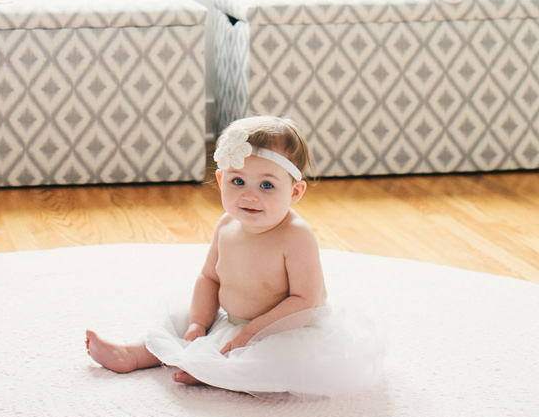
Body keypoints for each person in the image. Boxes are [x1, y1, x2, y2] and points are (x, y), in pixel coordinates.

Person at [85, 114, 382, 396]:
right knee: (177, 324)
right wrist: (199, 323)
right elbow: (209, 277)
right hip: (231, 319)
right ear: (220, 179)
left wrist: (253, 331)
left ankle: (215, 375)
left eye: (267, 185)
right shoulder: (226, 225)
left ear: (295, 192)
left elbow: (305, 301)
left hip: (283, 329)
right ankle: (133, 354)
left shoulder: (296, 236)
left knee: (269, 363)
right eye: (237, 182)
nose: (250, 196)